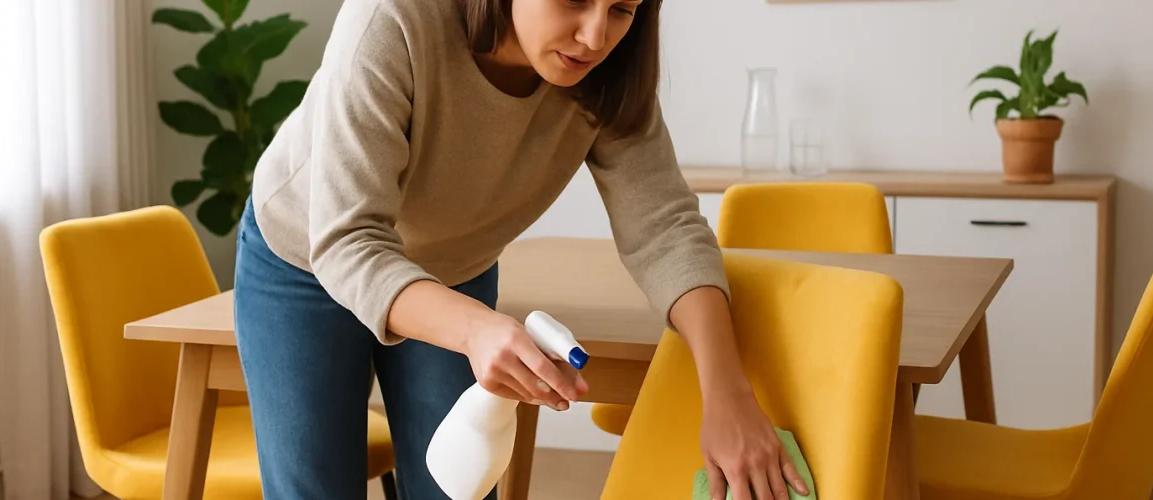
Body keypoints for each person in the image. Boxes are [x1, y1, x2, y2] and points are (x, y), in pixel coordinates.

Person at [233, 0, 811, 498]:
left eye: (622, 10)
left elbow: (664, 228)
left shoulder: (609, 72)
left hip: (452, 268)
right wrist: (475, 330)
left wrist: (728, 393)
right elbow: (348, 239)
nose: (595, 36)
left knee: (459, 490)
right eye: (574, 1)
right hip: (307, 258)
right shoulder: (395, 17)